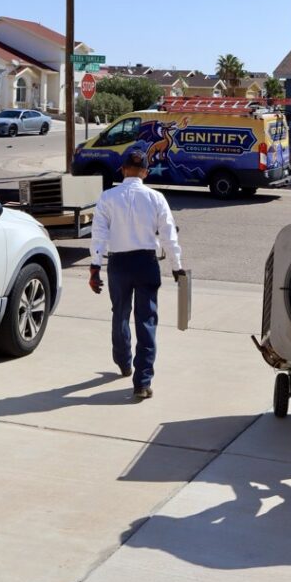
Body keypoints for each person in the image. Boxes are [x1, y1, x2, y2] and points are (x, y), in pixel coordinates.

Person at [88, 146, 186, 400]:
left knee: (120, 313)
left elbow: (99, 234)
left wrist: (95, 266)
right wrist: (177, 267)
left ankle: (123, 362)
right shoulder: (156, 198)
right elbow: (168, 235)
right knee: (146, 320)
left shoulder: (107, 197)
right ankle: (142, 381)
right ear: (145, 171)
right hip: (146, 263)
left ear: (122, 170)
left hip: (118, 264)